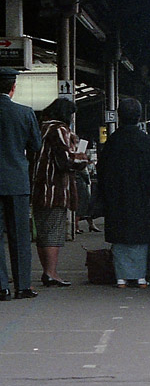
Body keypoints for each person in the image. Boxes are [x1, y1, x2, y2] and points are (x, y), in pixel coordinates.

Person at [97, 98, 150, 288]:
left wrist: (105, 195)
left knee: (120, 235)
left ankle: (121, 277)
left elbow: (101, 170)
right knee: (140, 234)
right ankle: (140, 277)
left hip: (116, 198)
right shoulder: (144, 141)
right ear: (139, 117)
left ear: (119, 117)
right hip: (140, 197)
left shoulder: (112, 142)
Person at [31, 97, 89, 287]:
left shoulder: (41, 127)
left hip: (38, 187)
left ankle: (47, 271)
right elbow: (64, 161)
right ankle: (51, 273)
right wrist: (82, 160)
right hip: (55, 189)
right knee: (54, 232)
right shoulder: (59, 130)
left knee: (42, 232)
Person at [0, 67, 42, 300]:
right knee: (20, 235)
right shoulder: (25, 113)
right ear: (13, 88)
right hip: (16, 181)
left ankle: (1, 287)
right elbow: (36, 146)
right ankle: (22, 286)